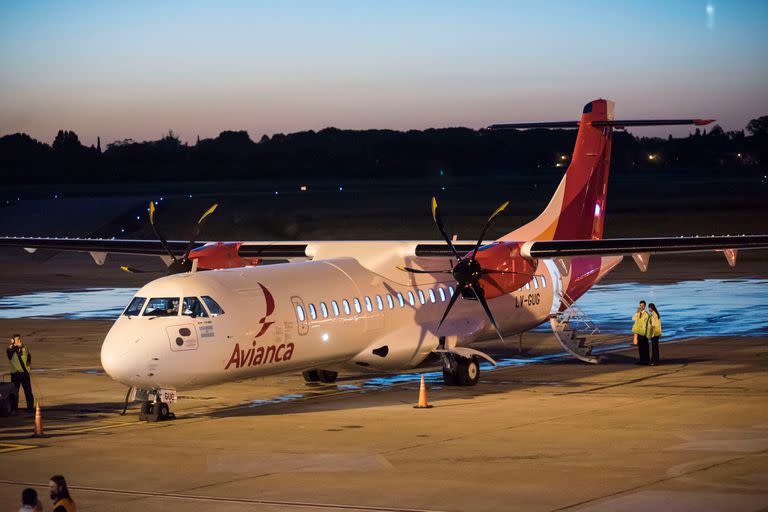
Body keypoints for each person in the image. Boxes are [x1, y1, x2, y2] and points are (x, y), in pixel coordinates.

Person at [7, 334, 34, 411]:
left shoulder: (24, 347)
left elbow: (28, 355)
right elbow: (10, 355)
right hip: (15, 373)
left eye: (19, 339)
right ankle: (15, 409)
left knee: (28, 391)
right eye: (17, 339)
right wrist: (17, 346)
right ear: (12, 341)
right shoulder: (10, 349)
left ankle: (30, 408)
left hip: (25, 373)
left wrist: (28, 361)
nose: (19, 340)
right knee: (15, 392)